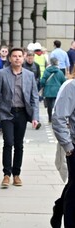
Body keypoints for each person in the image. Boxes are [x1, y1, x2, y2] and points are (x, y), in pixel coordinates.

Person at [0, 47, 39, 188]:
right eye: (14, 56)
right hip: (6, 113)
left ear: (23, 58)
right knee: (8, 142)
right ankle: (6, 174)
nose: (17, 58)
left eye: (19, 56)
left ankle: (16, 174)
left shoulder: (29, 75)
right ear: (10, 58)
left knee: (19, 144)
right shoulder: (2, 74)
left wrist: (35, 116)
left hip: (22, 113)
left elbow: (34, 97)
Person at [51, 68, 75, 228]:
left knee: (72, 185)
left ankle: (59, 207)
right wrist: (68, 147)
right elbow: (58, 117)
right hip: (74, 148)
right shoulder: (71, 87)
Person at [40, 57, 66, 123]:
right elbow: (63, 81)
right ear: (57, 63)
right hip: (57, 91)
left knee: (49, 106)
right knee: (56, 105)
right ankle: (56, 118)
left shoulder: (46, 71)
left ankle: (50, 118)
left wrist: (43, 86)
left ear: (50, 63)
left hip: (48, 91)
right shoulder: (60, 72)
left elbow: (42, 81)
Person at [23, 50, 42, 129]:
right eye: (29, 58)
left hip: (34, 87)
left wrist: (36, 82)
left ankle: (36, 120)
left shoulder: (36, 65)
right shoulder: (23, 65)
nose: (30, 60)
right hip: (25, 87)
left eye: (32, 58)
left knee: (35, 102)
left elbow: (38, 75)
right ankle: (30, 118)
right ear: (26, 57)